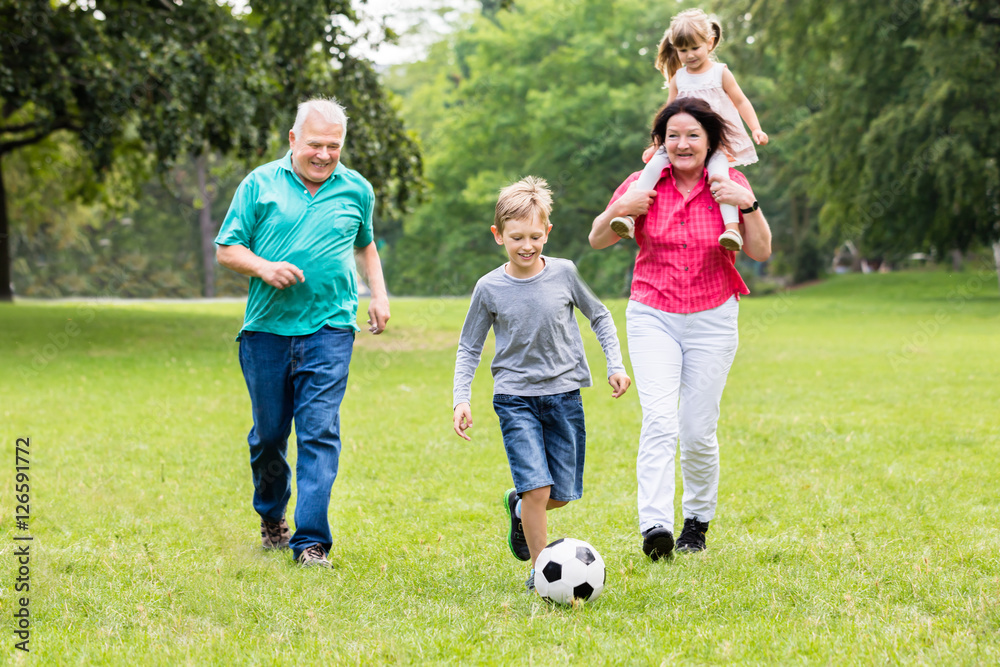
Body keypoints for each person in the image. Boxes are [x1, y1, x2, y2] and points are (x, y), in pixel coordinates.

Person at [589, 97, 772, 560]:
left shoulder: (730, 183)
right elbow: (597, 238)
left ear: (710, 141)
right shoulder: (643, 183)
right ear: (661, 142)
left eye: (692, 135)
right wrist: (624, 205)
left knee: (696, 429)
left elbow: (761, 251)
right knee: (659, 420)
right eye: (673, 135)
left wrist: (748, 206)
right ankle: (655, 526)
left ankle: (696, 522)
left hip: (713, 317)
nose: (682, 143)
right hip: (653, 313)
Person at [215, 98, 390, 568]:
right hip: (267, 331)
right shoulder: (259, 184)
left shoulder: (357, 188)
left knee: (319, 432)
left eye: (334, 146)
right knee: (269, 436)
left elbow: (366, 245)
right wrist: (264, 267)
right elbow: (227, 249)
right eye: (315, 144)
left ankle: (311, 541)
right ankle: (272, 514)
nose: (324, 154)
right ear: (293, 139)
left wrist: (378, 294)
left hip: (331, 328)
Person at [452, 176, 632, 591]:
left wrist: (615, 364)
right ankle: (540, 572)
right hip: (514, 398)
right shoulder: (489, 288)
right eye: (517, 237)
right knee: (538, 488)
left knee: (561, 494)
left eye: (535, 236)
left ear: (547, 232)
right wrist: (461, 398)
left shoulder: (565, 273)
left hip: (564, 396)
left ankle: (518, 508)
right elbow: (469, 346)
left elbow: (600, 315)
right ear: (498, 235)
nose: (526, 245)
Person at [611, 8, 768, 252]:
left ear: (710, 42)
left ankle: (731, 229)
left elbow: (741, 101)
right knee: (651, 168)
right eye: (683, 50)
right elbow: (667, 115)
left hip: (713, 143)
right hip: (679, 141)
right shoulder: (679, 78)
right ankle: (630, 217)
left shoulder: (720, 73)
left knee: (720, 179)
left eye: (695, 48)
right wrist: (656, 144)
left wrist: (755, 129)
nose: (689, 55)